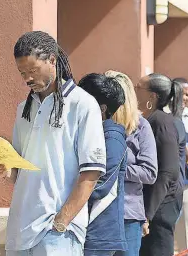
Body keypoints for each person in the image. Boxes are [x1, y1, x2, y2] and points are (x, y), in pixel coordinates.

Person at [0, 31, 106, 255]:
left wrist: (61, 222)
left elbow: (91, 172)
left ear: (52, 60)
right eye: (22, 73)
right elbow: (20, 169)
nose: (27, 79)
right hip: (20, 231)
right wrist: (4, 169)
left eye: (32, 70)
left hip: (58, 233)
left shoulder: (82, 104)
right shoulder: (24, 109)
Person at [105, 70, 158, 256]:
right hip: (97, 211)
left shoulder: (141, 126)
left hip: (128, 214)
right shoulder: (96, 123)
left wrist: (115, 169)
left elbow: (149, 172)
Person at [78, 73, 128, 256]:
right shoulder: (91, 134)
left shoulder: (112, 138)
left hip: (99, 235)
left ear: (101, 108)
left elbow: (100, 186)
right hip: (86, 231)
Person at [135, 73, 184, 256]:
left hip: (161, 206)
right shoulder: (151, 120)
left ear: (152, 96)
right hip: (152, 204)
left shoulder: (162, 122)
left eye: (139, 87)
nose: (135, 90)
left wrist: (148, 214)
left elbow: (168, 172)